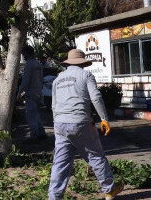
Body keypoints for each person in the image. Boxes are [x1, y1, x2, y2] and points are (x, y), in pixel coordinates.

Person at [49, 49, 123, 199]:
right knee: (95, 156)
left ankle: (54, 197)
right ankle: (109, 190)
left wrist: (57, 123)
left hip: (60, 124)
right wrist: (104, 119)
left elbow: (53, 105)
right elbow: (95, 97)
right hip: (80, 123)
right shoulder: (85, 75)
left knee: (60, 163)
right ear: (82, 63)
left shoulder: (57, 79)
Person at [16, 45, 46, 140]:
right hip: (38, 91)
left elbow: (25, 81)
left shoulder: (29, 64)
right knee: (36, 113)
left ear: (27, 53)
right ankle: (41, 132)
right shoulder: (38, 63)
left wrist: (19, 93)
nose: (23, 56)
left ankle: (35, 134)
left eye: (23, 53)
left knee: (31, 114)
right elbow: (41, 79)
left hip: (31, 92)